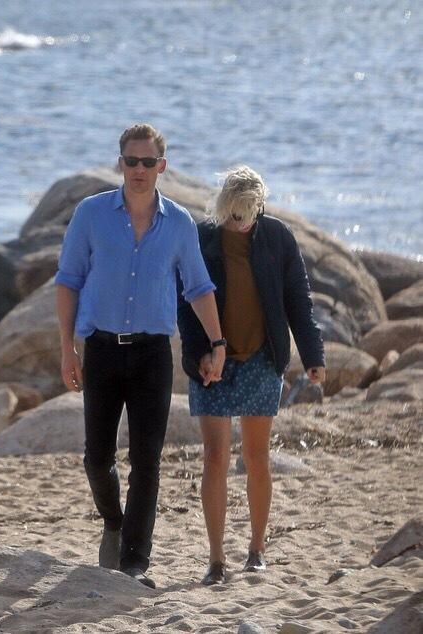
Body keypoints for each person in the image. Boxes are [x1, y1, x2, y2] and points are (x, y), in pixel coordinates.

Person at [55, 124, 226, 589]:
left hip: (153, 354)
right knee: (97, 458)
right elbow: (68, 281)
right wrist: (68, 348)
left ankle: (135, 562)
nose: (139, 170)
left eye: (148, 162)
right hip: (102, 350)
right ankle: (113, 522)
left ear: (161, 166)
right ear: (120, 163)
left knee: (147, 461)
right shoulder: (91, 214)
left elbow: (198, 287)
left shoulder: (180, 223)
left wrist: (217, 342)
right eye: (131, 161)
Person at [177, 166, 325, 585]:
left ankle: (257, 550)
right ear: (222, 205)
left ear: (259, 206)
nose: (239, 222)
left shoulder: (277, 237)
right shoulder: (202, 237)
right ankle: (216, 560)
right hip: (212, 362)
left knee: (257, 457)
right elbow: (185, 302)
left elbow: (298, 299)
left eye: (247, 213)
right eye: (233, 213)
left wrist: (312, 355)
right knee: (215, 457)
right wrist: (199, 355)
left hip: (262, 357)